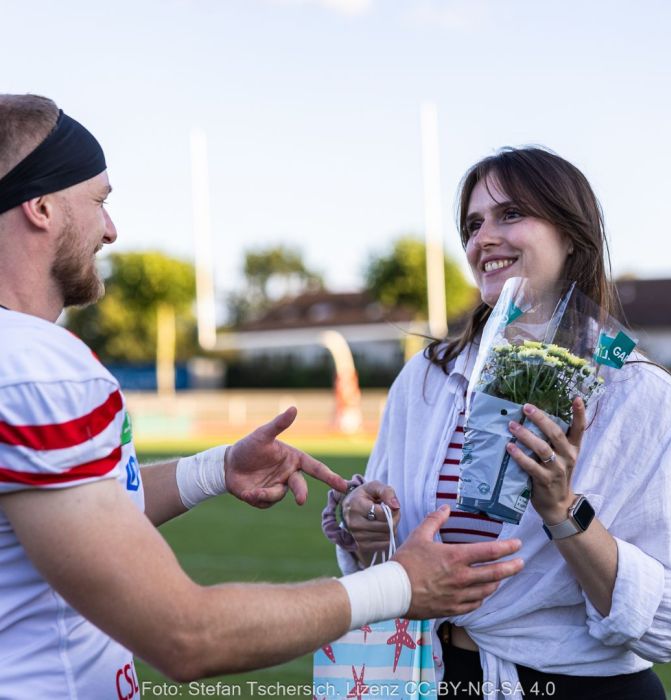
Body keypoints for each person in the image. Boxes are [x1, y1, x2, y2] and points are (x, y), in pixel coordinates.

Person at [0, 94, 526, 700]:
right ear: (40, 206)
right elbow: (186, 636)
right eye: (99, 202)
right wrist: (402, 585)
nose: (111, 230)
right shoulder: (41, 369)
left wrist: (214, 469)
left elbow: (68, 518)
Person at [328, 147, 671, 698]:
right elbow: (390, 551)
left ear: (572, 235)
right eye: (474, 224)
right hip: (431, 677)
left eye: (511, 214)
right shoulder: (425, 381)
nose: (483, 238)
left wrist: (563, 511)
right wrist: (368, 526)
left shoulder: (644, 398)